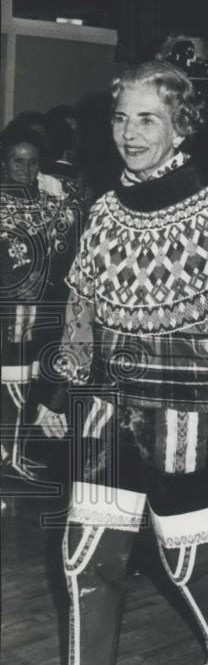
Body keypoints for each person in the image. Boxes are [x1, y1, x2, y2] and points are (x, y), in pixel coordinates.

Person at [19, 60, 208, 665]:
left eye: (148, 119)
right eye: (122, 117)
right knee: (84, 557)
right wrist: (55, 388)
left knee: (185, 557)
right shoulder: (102, 212)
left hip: (189, 413)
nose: (131, 133)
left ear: (179, 126)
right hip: (105, 405)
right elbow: (80, 312)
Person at [0, 128, 80, 480]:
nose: (26, 168)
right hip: (7, 313)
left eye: (33, 162)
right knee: (9, 388)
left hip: (44, 312)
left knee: (32, 386)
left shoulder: (52, 202)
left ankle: (17, 454)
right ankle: (8, 460)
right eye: (18, 161)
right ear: (5, 164)